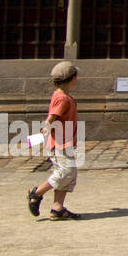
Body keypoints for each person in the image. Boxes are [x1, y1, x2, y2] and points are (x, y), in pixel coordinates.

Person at [27, 61, 83, 220]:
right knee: (66, 172)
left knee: (69, 174)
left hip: (65, 142)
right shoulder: (63, 98)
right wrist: (45, 128)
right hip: (60, 143)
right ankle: (37, 193)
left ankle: (57, 208)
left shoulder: (60, 95)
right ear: (73, 79)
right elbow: (52, 117)